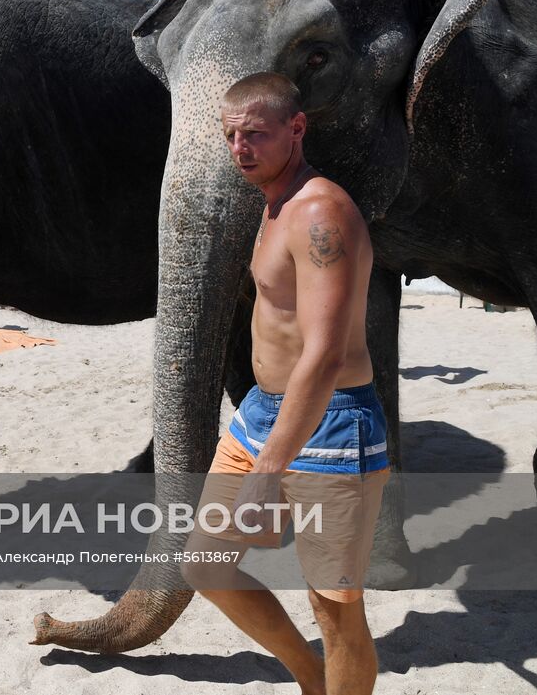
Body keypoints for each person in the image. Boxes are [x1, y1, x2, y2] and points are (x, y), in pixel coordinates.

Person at [179, 73, 386, 695]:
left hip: (331, 421)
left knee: (335, 607)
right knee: (205, 564)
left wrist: (269, 470)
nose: (241, 148)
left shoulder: (320, 211)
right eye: (232, 136)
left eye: (257, 135)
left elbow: (322, 355)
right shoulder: (274, 201)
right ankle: (309, 679)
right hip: (260, 414)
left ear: (297, 129)